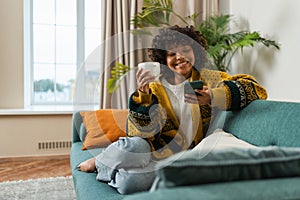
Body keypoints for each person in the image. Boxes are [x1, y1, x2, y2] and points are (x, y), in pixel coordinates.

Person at [77, 25, 268, 194]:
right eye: (172, 53)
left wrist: (213, 96)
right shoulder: (154, 87)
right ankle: (101, 161)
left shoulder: (210, 79)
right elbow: (137, 133)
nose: (180, 57)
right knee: (134, 146)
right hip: (151, 150)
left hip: (179, 159)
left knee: (131, 184)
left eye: (186, 49)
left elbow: (256, 90)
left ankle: (108, 167)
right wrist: (143, 97)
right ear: (163, 58)